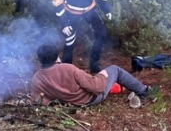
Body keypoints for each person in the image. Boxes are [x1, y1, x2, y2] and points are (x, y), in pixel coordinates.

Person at [31, 43, 159, 108]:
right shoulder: (67, 68)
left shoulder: (37, 78)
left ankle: (135, 90)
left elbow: (40, 100)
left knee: (103, 75)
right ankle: (145, 91)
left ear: (40, 59)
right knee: (115, 70)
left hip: (70, 104)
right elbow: (96, 87)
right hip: (90, 99)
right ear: (56, 57)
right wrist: (102, 76)